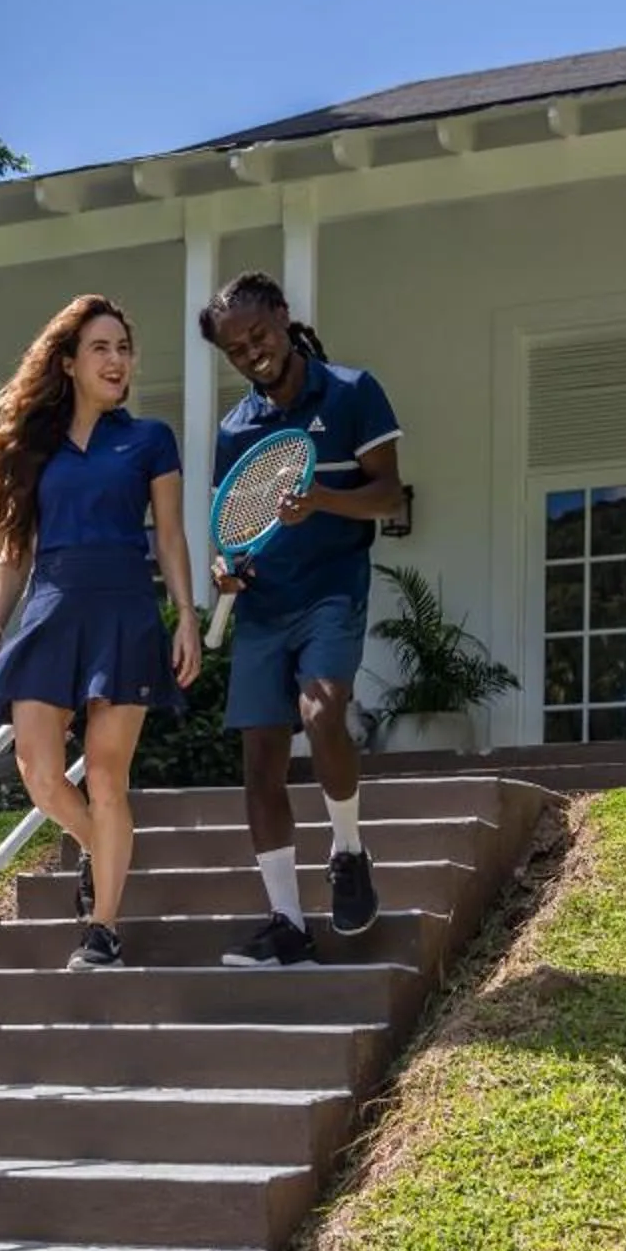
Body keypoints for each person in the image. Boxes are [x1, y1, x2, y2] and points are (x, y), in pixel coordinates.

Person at [0, 295, 204, 970]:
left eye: (124, 348)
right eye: (101, 348)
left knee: (105, 774)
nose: (117, 360)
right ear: (68, 363)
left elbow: (172, 536)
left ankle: (103, 930)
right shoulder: (37, 450)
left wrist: (185, 614)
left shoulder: (150, 439)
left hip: (124, 605)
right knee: (37, 769)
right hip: (51, 606)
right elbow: (14, 551)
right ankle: (105, 849)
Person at [199, 272, 406, 968]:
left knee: (321, 714)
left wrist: (322, 499)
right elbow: (235, 533)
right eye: (234, 348)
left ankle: (349, 853)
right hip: (263, 604)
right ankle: (287, 924)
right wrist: (226, 571)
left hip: (330, 591)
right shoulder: (236, 430)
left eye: (257, 334)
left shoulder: (351, 392)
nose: (250, 351)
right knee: (259, 762)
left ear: (284, 319)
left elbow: (388, 496)